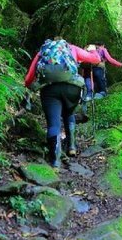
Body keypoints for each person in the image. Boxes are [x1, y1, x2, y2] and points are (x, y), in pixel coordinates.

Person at [24, 37, 101, 167]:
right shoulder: (72, 48)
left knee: (53, 124)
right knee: (69, 112)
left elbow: (28, 79)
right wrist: (93, 51)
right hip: (72, 88)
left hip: (50, 90)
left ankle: (55, 160)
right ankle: (71, 146)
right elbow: (96, 59)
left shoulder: (43, 51)